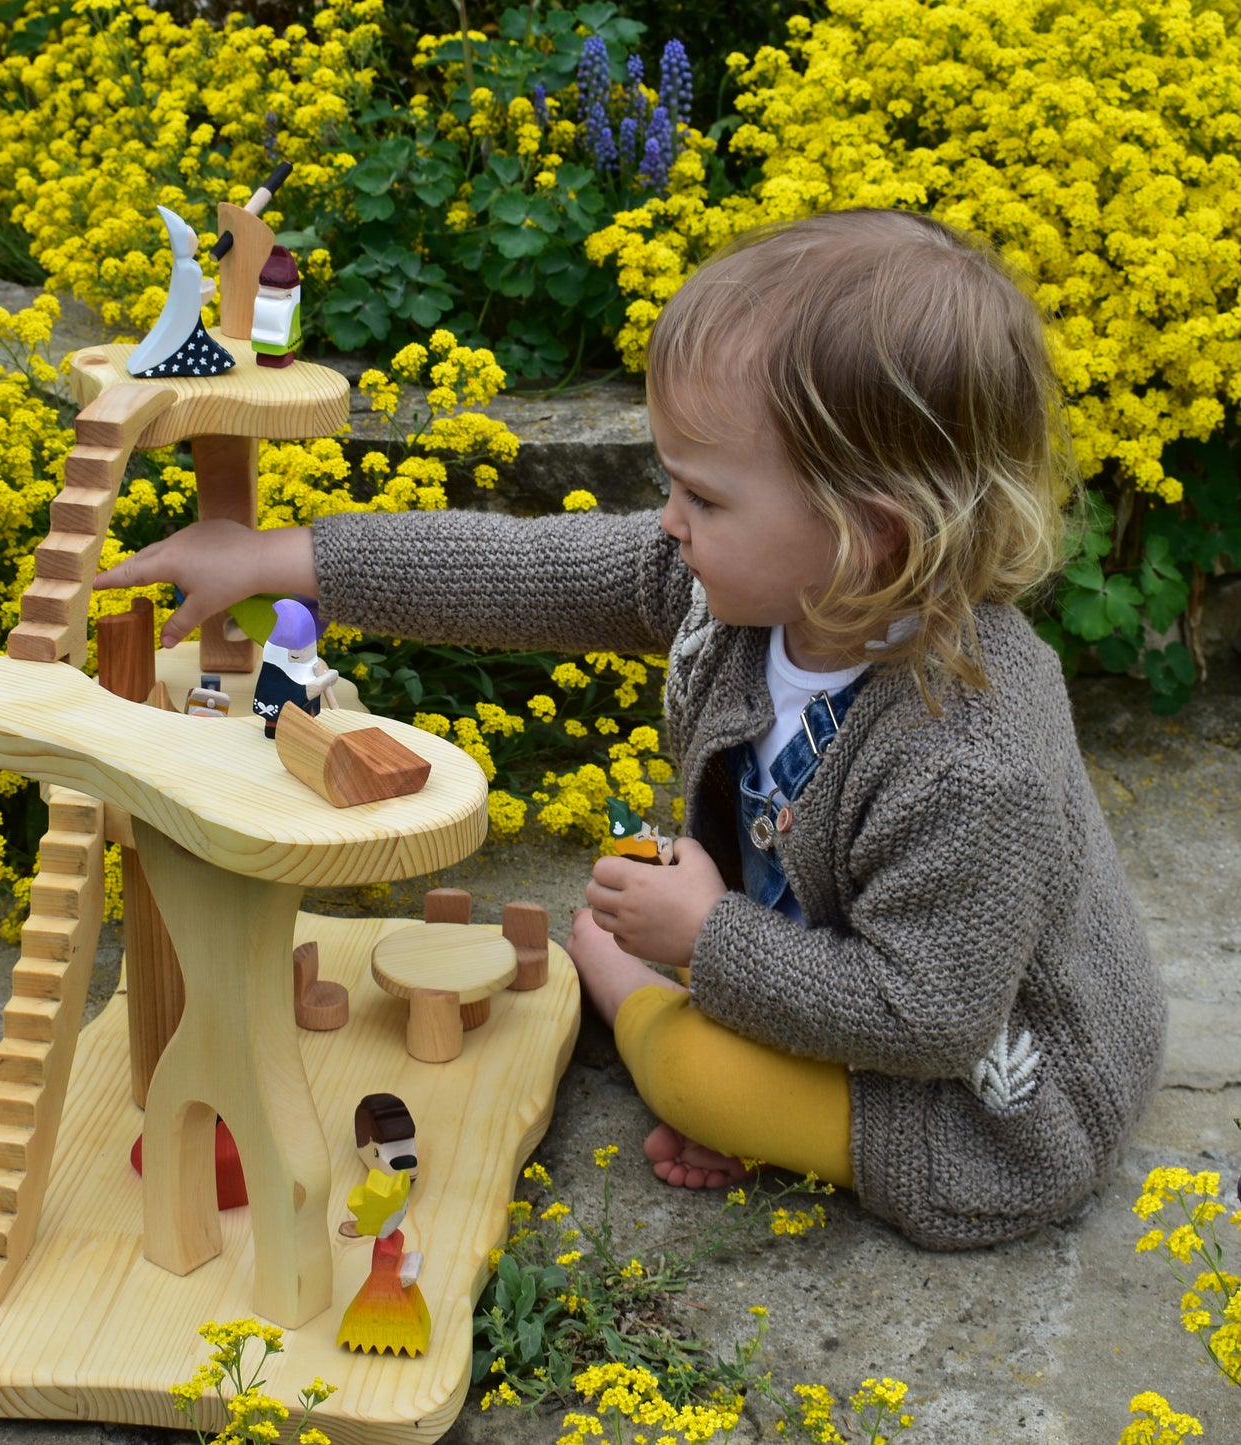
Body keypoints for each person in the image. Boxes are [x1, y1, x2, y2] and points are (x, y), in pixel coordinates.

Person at [95, 209, 1166, 1250]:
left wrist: (707, 941)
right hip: (832, 966)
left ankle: (670, 1032)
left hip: (983, 1096)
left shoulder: (971, 759)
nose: (666, 520)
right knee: (629, 901)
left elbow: (929, 1014)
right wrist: (279, 560)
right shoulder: (752, 589)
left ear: (866, 533)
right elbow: (524, 571)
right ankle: (706, 1012)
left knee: (682, 1052)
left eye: (700, 493)